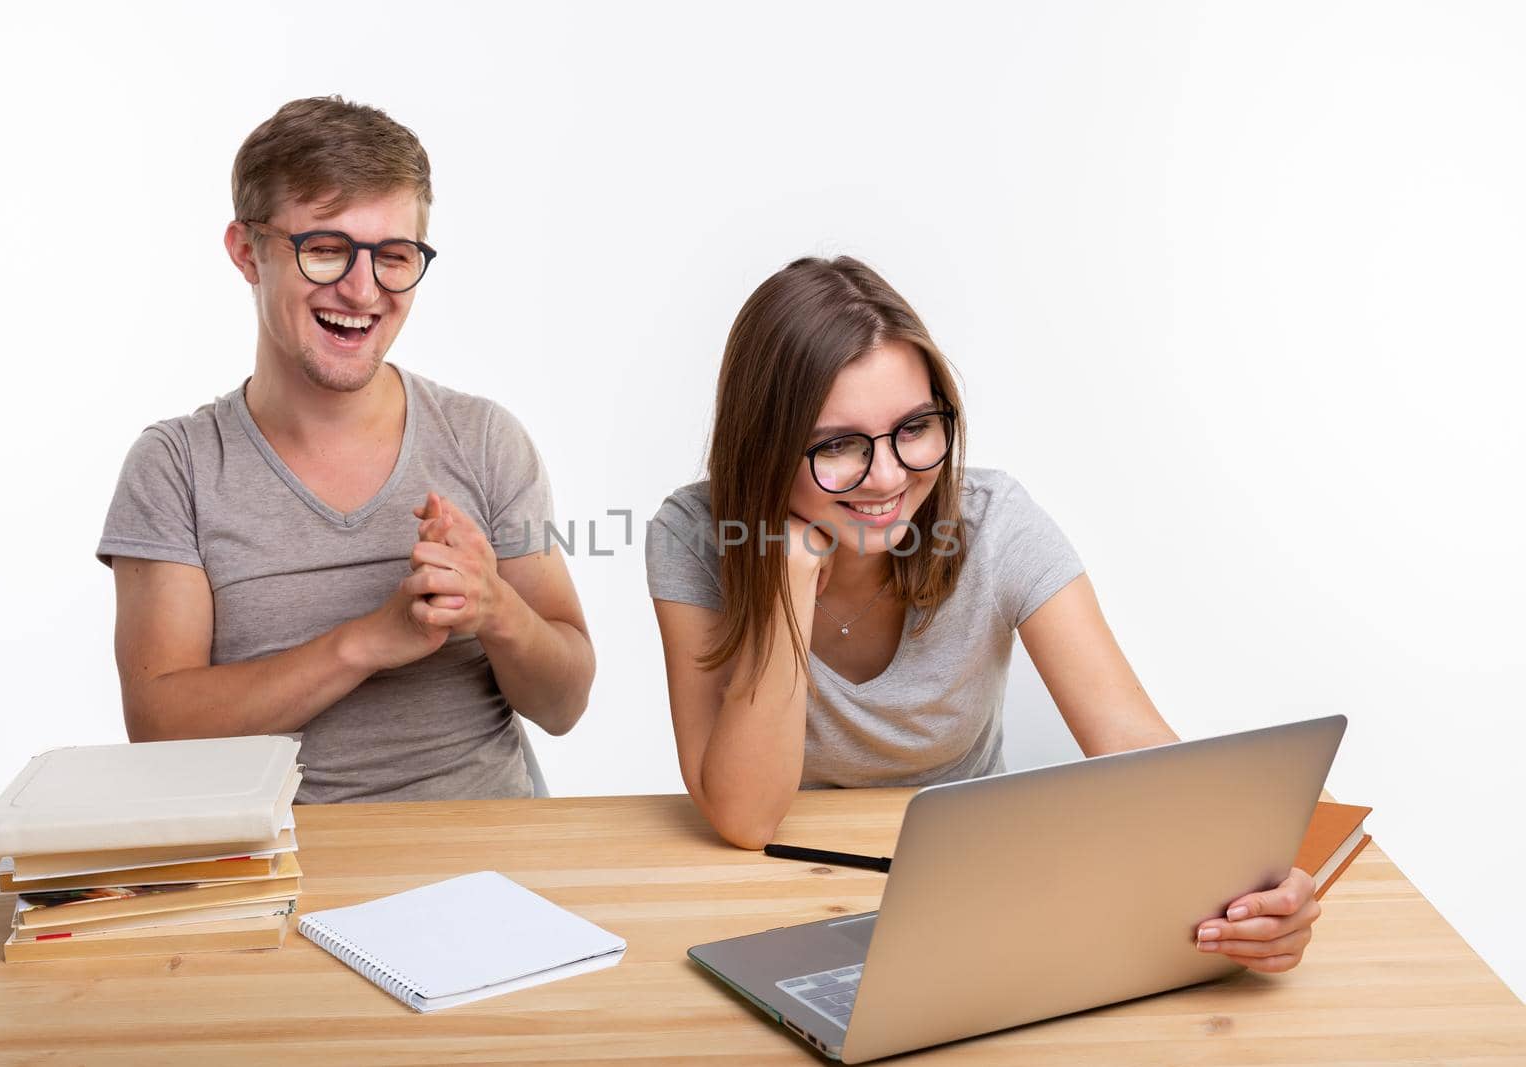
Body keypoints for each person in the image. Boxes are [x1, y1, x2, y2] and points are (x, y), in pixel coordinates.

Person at [646, 256, 1321, 972]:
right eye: (837, 445)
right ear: (766, 445)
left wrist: (1258, 882)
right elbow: (745, 815)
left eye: (915, 427)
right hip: (768, 897)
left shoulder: (995, 523)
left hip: (968, 894)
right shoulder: (692, 535)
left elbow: (1132, 739)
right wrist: (788, 577)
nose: (889, 476)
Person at [97, 96, 594, 803]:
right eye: (326, 250)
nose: (363, 291)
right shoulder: (176, 468)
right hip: (280, 873)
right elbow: (160, 730)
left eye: (394, 256)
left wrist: (497, 610)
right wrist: (365, 642)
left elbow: (565, 703)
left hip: (489, 863)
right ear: (247, 252)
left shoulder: (484, 440)